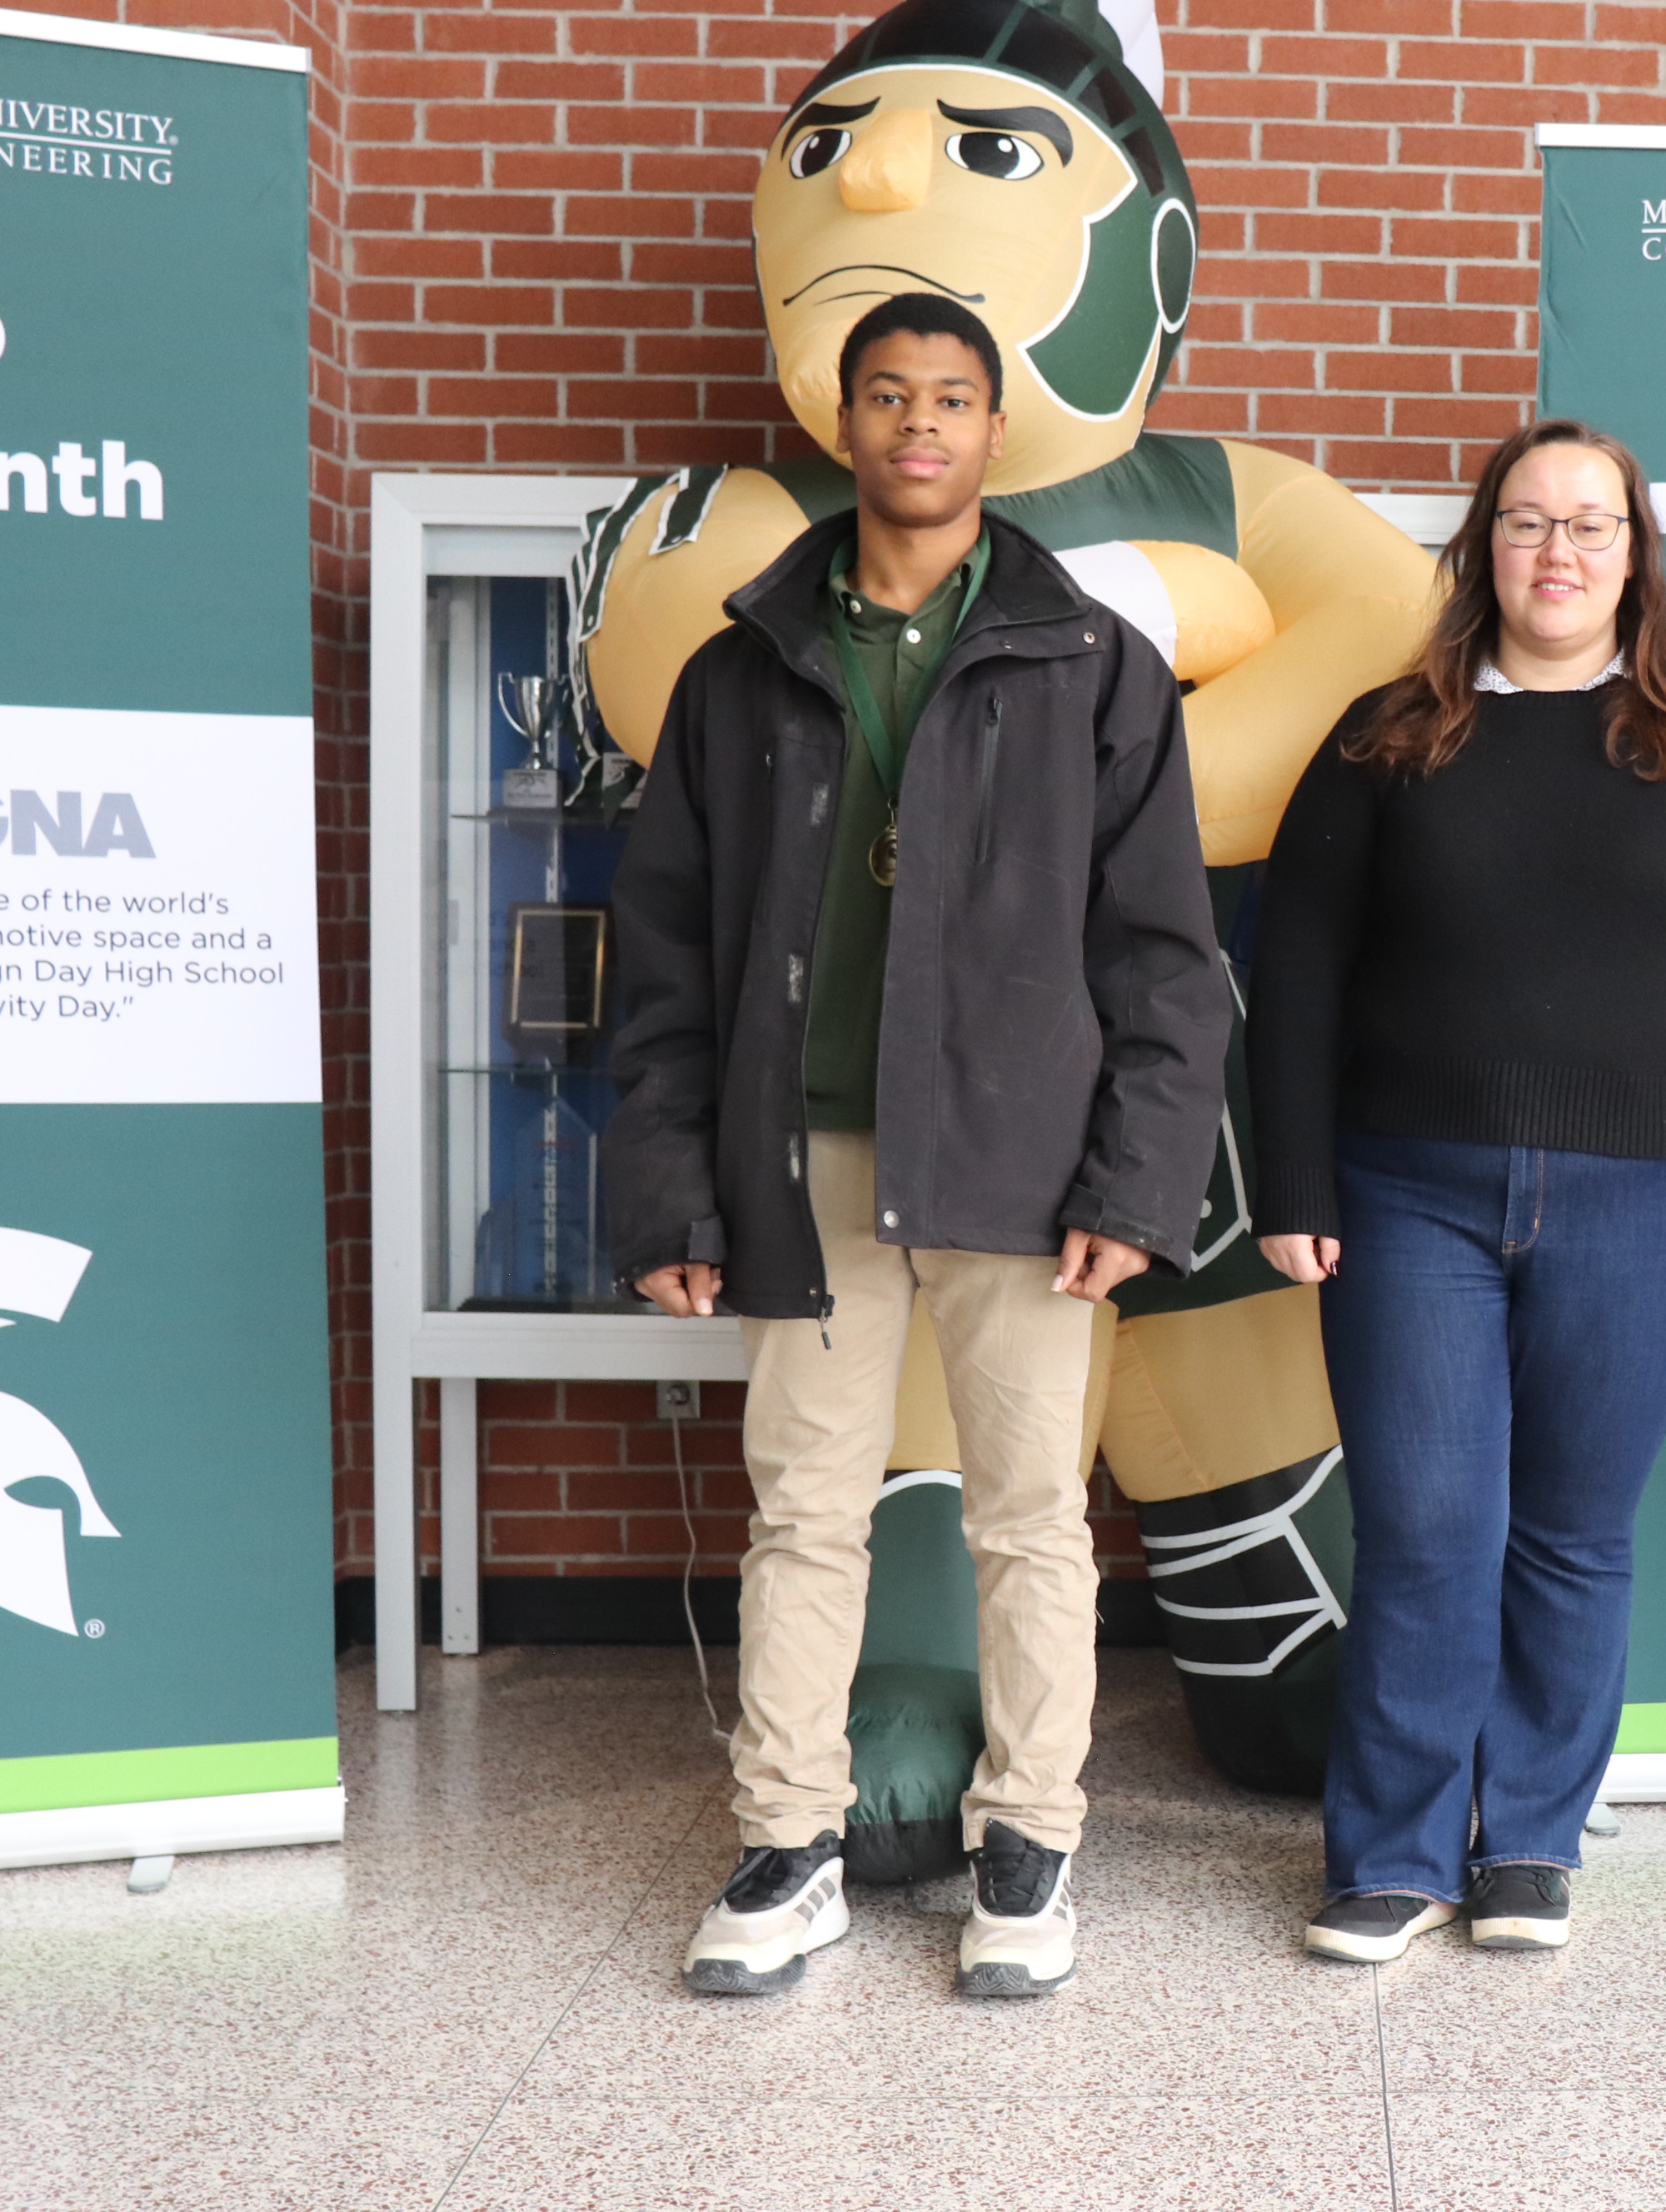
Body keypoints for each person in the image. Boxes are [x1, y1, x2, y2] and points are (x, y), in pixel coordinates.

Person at [604, 290, 1230, 2000]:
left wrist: (1135, 1184)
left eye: (951, 399)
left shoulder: (1092, 662)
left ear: (995, 431)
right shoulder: (740, 668)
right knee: (805, 1512)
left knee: (1031, 1518)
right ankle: (787, 1844)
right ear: (846, 424)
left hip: (1023, 1165)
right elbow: (663, 956)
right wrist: (668, 1188)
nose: (920, 426)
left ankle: (1029, 1845)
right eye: (889, 396)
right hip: (802, 1156)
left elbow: (1164, 958)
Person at [1248, 420, 1666, 1963]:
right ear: (1481, 548)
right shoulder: (1388, 741)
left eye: (1590, 525)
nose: (1556, 551)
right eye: (1525, 522)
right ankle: (1392, 1853)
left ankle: (1529, 1843)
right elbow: (1293, 974)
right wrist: (1292, 1177)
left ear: (1635, 558)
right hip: (1406, 1200)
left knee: (1572, 1535)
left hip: (1649, 1207)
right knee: (1426, 1533)